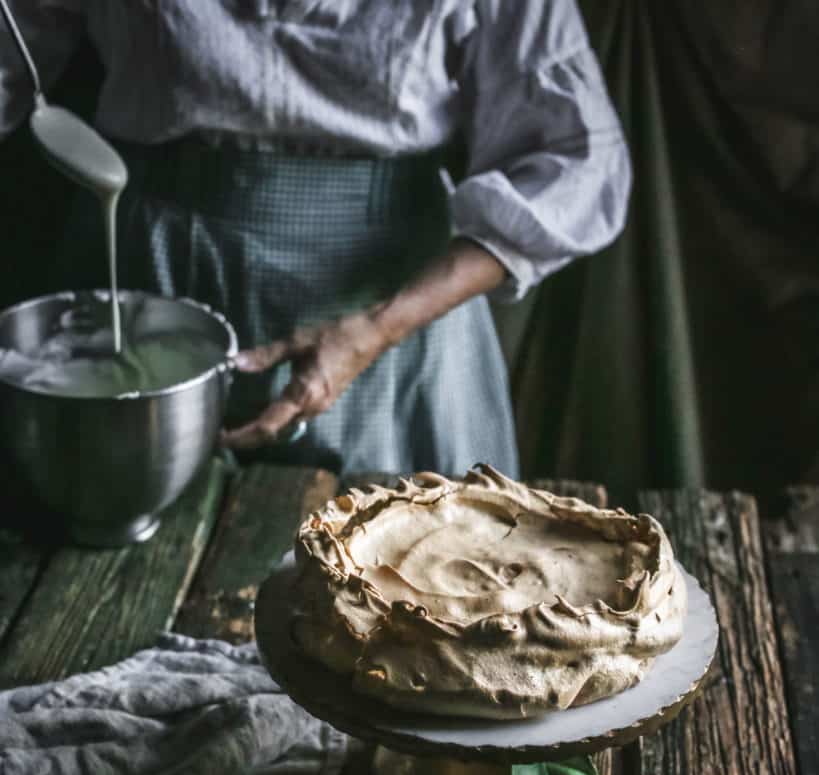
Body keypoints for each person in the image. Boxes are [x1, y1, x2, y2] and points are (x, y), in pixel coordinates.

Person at [0, 0, 630, 479]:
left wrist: (378, 328)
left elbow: (578, 155)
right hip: (146, 281)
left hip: (388, 318)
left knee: (403, 610)